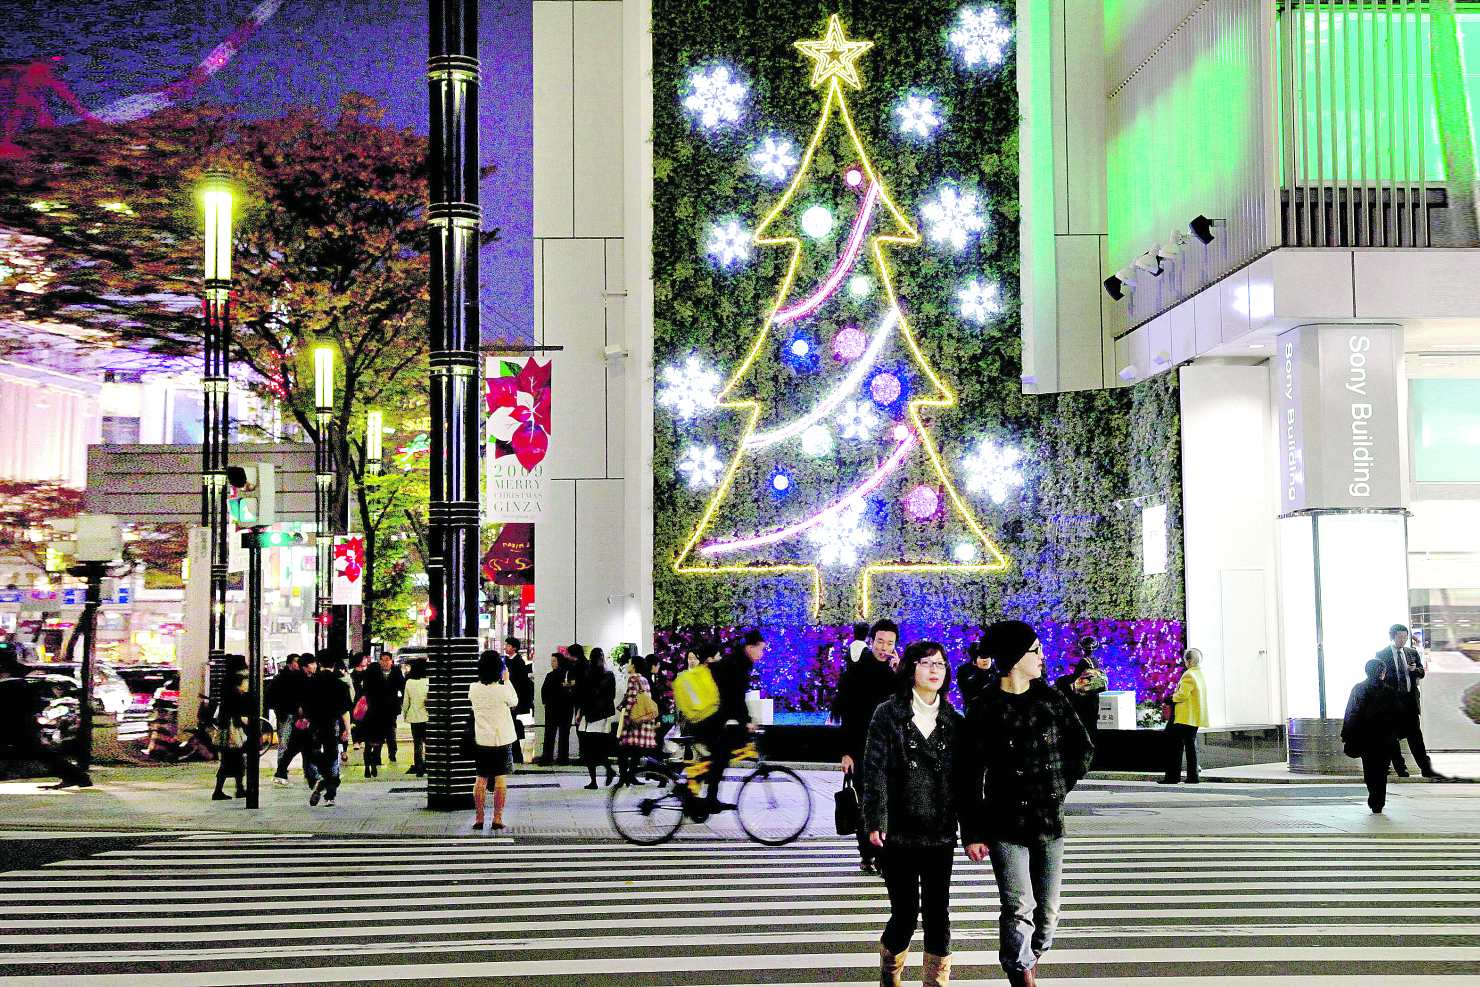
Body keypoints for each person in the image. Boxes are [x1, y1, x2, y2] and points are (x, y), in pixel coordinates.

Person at [958, 620, 1094, 987]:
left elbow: (1082, 748)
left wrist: (1057, 786)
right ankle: (1021, 974)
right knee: (1019, 908)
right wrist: (971, 833)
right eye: (1035, 650)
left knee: (1047, 916)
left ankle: (1027, 958)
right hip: (1005, 824)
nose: (1042, 657)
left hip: (1049, 822)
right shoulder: (984, 707)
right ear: (1015, 658)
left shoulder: (1050, 699)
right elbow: (968, 775)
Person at [861, 641, 963, 987]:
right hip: (899, 832)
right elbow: (873, 770)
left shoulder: (953, 720)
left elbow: (966, 780)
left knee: (939, 915)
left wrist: (974, 831)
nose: (935, 670)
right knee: (904, 915)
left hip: (940, 830)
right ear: (910, 669)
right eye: (926, 663)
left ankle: (936, 983)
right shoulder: (888, 714)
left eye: (940, 664)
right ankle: (890, 974)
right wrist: (876, 820)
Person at [831, 617, 899, 874]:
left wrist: (900, 672)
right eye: (880, 641)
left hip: (892, 750)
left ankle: (883, 855)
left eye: (889, 643)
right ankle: (868, 853)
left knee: (890, 801)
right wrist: (846, 752)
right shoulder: (856, 673)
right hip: (862, 748)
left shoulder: (897, 674)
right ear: (870, 642)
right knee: (867, 802)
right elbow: (847, 715)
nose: (884, 647)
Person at [0, 647, 91, 788]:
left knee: (39, 752)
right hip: (21, 725)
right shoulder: (21, 684)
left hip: (16, 726)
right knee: (39, 752)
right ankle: (76, 776)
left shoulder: (10, 686)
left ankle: (77, 776)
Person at [692, 631, 763, 813]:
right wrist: (746, 721)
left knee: (721, 755)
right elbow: (734, 698)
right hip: (705, 717)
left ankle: (707, 795)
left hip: (709, 716)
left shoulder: (737, 662)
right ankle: (706, 797)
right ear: (750, 647)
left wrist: (743, 720)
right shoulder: (737, 665)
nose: (762, 654)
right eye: (760, 649)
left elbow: (733, 698)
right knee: (721, 754)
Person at [1378, 624, 1441, 779]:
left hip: (1409, 701)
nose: (1403, 640)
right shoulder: (1382, 654)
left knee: (1415, 737)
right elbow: (1378, 676)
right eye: (1400, 637)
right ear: (1392, 637)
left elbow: (1422, 672)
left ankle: (1426, 768)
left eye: (1405, 637)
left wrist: (1415, 670)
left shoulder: (1412, 653)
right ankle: (1400, 768)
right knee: (1391, 737)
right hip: (1392, 702)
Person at [1342, 658, 1402, 813]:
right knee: (1382, 771)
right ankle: (1378, 801)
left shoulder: (1359, 689)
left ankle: (1373, 796)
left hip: (1365, 737)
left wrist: (1346, 733)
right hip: (1384, 738)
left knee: (1369, 769)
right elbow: (1397, 715)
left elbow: (1351, 712)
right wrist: (1397, 734)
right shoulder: (1389, 691)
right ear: (1382, 673)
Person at [469, 651, 519, 830]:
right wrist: (507, 680)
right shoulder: (502, 689)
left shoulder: (473, 688)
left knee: (480, 779)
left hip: (482, 740)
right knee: (500, 779)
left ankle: (479, 818)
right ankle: (497, 818)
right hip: (502, 739)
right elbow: (514, 701)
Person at [303, 653, 352, 807]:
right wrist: (348, 730)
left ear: (319, 663)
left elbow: (304, 708)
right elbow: (345, 711)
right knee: (332, 758)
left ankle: (321, 780)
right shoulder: (341, 685)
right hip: (333, 725)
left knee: (312, 754)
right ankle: (330, 792)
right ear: (334, 665)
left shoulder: (309, 684)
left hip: (314, 726)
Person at [1160, 648, 1208, 784]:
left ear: (1190, 660)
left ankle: (1172, 777)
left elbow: (1182, 695)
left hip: (1184, 717)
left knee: (1173, 745)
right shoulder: (1200, 674)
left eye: (1186, 660)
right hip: (1194, 717)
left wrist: (1171, 698)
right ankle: (1193, 776)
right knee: (1190, 747)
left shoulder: (1189, 675)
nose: (1185, 663)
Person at [575, 647, 618, 789]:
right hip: (602, 715)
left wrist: (580, 712)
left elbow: (583, 695)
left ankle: (594, 779)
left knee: (588, 749)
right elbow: (611, 696)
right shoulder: (609, 675)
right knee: (597, 748)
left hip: (589, 714)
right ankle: (608, 768)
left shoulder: (587, 674)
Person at [616, 654, 660, 783]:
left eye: (629, 663)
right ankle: (632, 775)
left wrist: (626, 715)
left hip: (633, 719)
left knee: (622, 748)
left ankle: (624, 775)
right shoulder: (644, 679)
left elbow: (631, 699)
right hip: (643, 720)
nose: (627, 666)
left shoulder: (633, 679)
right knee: (636, 749)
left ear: (633, 666)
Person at [1053, 637, 1107, 742]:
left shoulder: (1083, 661)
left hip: (1085, 698)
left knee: (1087, 724)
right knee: (1093, 724)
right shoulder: (1094, 661)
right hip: (1094, 696)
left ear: (1083, 649)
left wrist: (1062, 679)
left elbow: (1076, 678)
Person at [212, 657, 250, 801]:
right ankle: (222, 790)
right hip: (231, 728)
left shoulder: (227, 681)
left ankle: (238, 788)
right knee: (231, 760)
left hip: (227, 726)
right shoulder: (234, 682)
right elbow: (234, 706)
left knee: (233, 760)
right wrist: (241, 718)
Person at [360, 652, 404, 777]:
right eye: (382, 660)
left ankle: (392, 754)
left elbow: (402, 687)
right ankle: (376, 758)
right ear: (379, 661)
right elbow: (367, 690)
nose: (385, 663)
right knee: (377, 735)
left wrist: (400, 702)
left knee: (391, 732)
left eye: (387, 660)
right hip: (375, 710)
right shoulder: (373, 672)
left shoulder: (396, 672)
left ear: (391, 661)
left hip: (391, 709)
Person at [269, 654, 306, 786]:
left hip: (296, 716)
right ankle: (281, 771)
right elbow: (272, 697)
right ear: (290, 663)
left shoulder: (300, 677)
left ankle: (283, 770)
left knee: (297, 744)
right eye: (297, 662)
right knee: (284, 743)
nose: (299, 664)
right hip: (286, 715)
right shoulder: (280, 679)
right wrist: (280, 711)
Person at [504, 637, 535, 765]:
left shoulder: (518, 662)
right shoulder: (507, 660)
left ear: (514, 648)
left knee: (512, 728)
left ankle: (516, 756)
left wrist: (515, 702)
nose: (506, 647)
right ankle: (514, 756)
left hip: (514, 700)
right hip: (509, 698)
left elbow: (520, 684)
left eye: (508, 645)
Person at [539, 651, 572, 766]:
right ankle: (561, 758)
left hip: (557, 709)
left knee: (552, 734)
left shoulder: (559, 675)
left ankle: (549, 758)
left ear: (559, 662)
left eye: (554, 661)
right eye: (551, 661)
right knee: (560, 734)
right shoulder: (560, 675)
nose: (552, 663)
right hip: (562, 709)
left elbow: (544, 691)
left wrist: (546, 702)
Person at [402, 659, 429, 776]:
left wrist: (405, 713)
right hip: (428, 717)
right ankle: (429, 764)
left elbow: (406, 702)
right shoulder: (429, 681)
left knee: (417, 743)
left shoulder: (409, 682)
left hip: (415, 717)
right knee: (429, 743)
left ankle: (419, 766)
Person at [956, 641, 995, 717]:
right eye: (982, 656)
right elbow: (966, 690)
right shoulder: (964, 670)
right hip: (974, 708)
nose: (985, 659)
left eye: (987, 656)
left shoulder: (994, 669)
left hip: (993, 707)